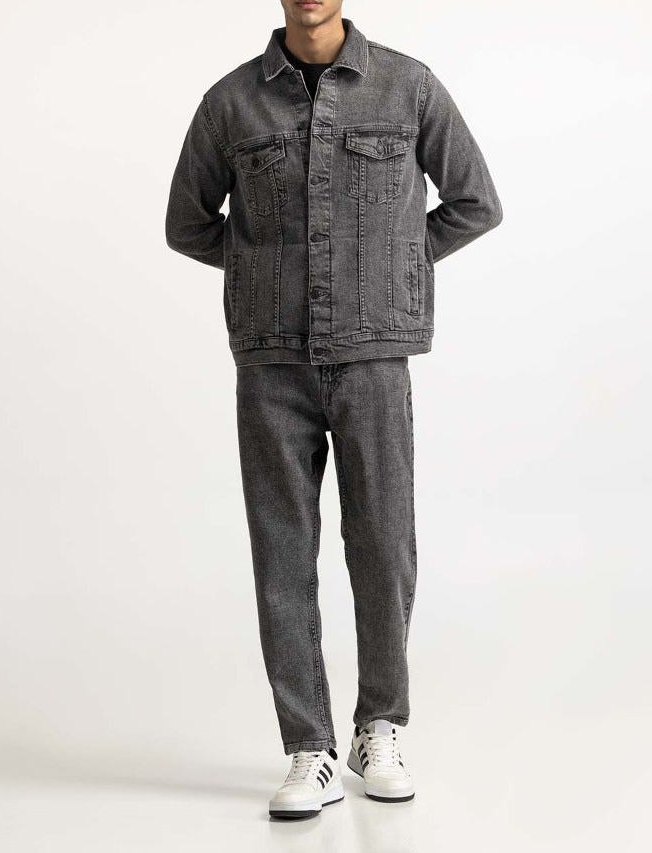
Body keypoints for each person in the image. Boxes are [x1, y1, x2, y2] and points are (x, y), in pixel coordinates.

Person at [165, 0, 502, 820]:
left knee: (383, 543)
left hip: (374, 355)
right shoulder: (230, 103)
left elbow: (474, 202)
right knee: (283, 553)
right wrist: (263, 269)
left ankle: (378, 726)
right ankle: (307, 746)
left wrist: (391, 260)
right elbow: (186, 223)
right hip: (271, 358)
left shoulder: (408, 88)